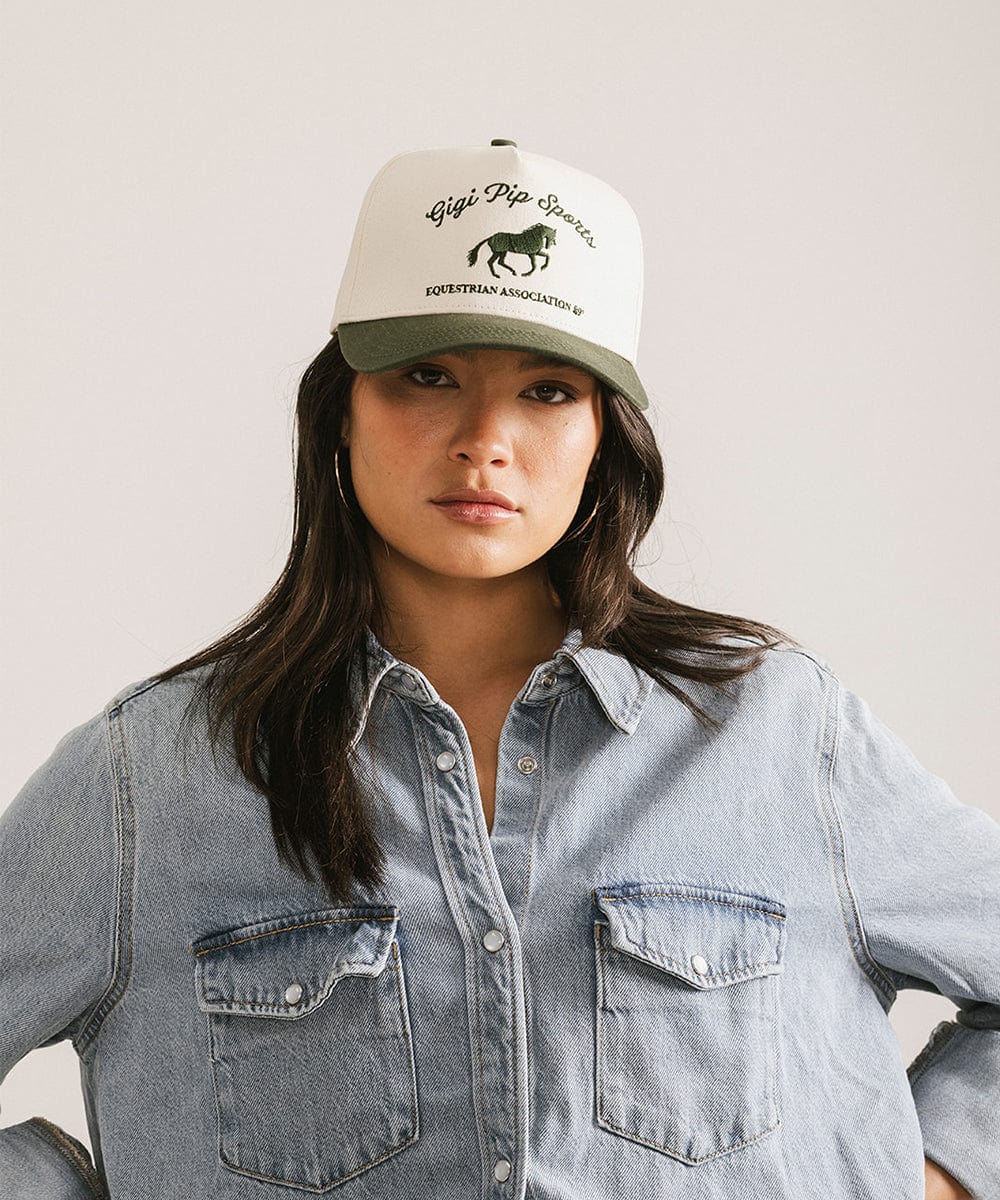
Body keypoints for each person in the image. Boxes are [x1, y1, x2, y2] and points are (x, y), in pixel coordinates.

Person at [0, 139, 995, 1200]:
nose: (485, 441)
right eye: (427, 377)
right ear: (341, 409)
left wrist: (929, 1175)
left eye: (547, 391)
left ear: (604, 435)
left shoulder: (778, 736)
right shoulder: (152, 779)